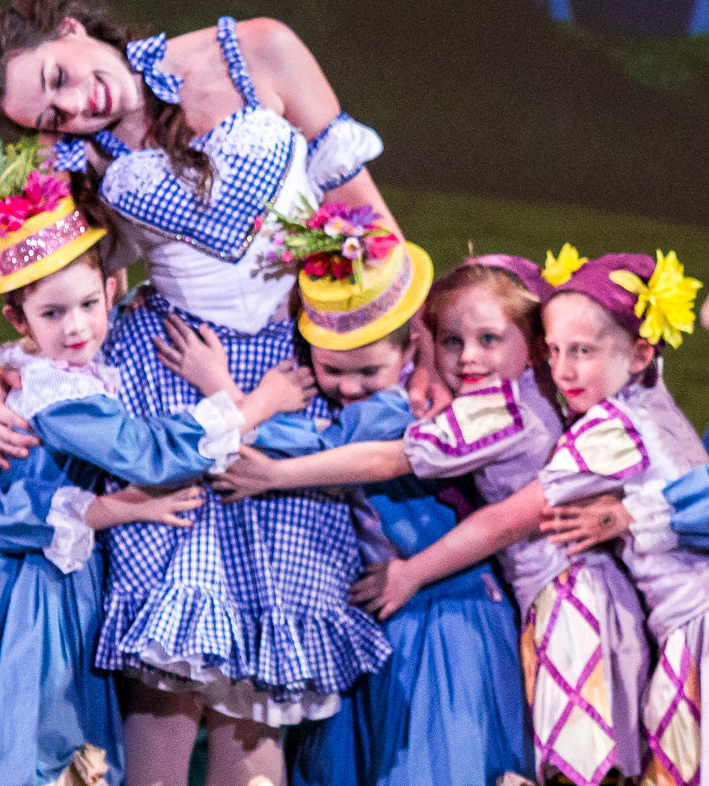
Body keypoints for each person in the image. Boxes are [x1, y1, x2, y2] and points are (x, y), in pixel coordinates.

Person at [0, 0, 412, 785]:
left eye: (61, 77)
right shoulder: (82, 160)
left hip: (289, 373)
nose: (75, 108)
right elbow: (59, 292)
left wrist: (391, 348)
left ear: (72, 28)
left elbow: (369, 225)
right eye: (52, 116)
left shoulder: (260, 48)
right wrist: (9, 381)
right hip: (176, 375)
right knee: (172, 675)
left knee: (259, 674)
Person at [0, 161, 308, 786]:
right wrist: (257, 405)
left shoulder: (34, 372)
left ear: (111, 289)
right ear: (19, 320)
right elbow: (144, 455)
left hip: (61, 576)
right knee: (35, 730)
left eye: (88, 305)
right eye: (53, 314)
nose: (75, 327)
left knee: (66, 727)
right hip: (24, 588)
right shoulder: (53, 395)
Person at [218, 252, 651, 786]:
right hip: (535, 593)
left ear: (535, 342)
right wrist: (425, 358)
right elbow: (466, 292)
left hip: (558, 596)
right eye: (452, 341)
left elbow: (390, 461)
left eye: (489, 340)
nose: (468, 357)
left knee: (578, 762)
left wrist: (264, 456)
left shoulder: (505, 408)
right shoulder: (536, 388)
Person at [160, 205, 533, 785]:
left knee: (433, 760)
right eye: (334, 371)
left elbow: (317, 449)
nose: (351, 387)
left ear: (408, 350)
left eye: (369, 371)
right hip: (390, 612)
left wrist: (226, 391)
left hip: (446, 614)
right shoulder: (388, 395)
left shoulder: (396, 409)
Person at [535, 250, 708, 783]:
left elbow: (524, 506)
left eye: (581, 351)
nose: (562, 370)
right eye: (553, 351)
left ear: (638, 355)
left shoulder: (616, 425)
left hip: (695, 623)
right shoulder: (653, 397)